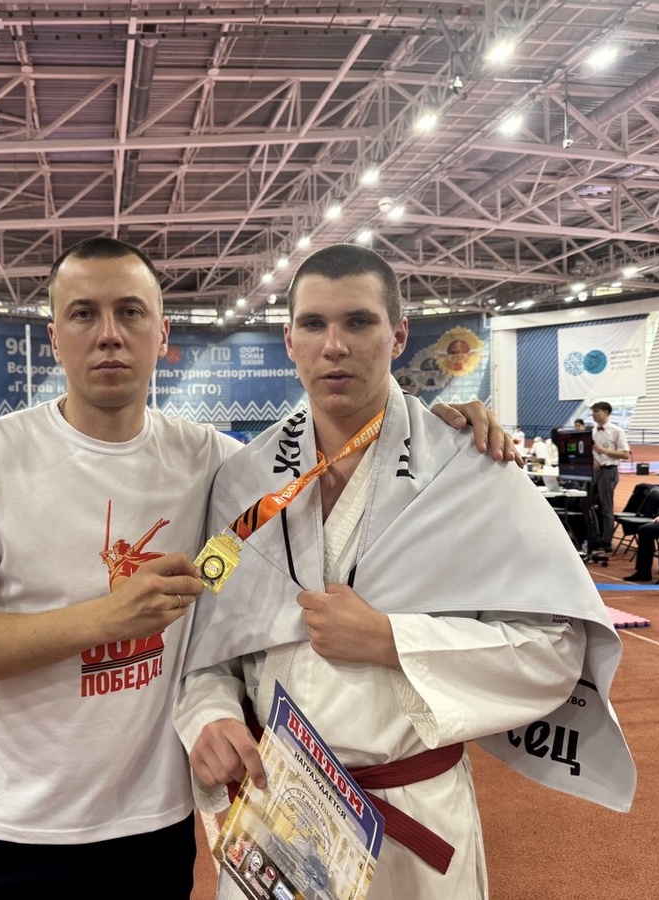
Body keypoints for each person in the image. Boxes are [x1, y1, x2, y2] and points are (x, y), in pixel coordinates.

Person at [0, 236, 517, 899]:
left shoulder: (217, 464)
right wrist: (106, 618)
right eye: (82, 314)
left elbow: (334, 448)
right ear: (54, 336)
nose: (109, 334)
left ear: (162, 334)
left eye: (130, 312)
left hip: (152, 828)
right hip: (12, 827)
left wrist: (437, 429)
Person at [175, 243, 634, 900]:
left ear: (397, 335)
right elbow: (207, 653)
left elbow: (553, 653)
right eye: (314, 324)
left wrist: (391, 640)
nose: (335, 345)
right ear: (290, 341)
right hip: (281, 814)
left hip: (414, 815)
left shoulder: (469, 467)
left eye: (358, 322)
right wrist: (211, 716)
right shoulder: (243, 480)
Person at [588, 400, 630, 551]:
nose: (593, 414)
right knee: (590, 504)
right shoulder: (593, 431)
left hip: (608, 470)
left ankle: (606, 540)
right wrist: (593, 459)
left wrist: (604, 451)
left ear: (605, 413)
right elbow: (591, 450)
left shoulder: (617, 431)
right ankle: (595, 536)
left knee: (606, 506)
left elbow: (625, 454)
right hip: (595, 471)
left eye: (596, 411)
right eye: (592, 412)